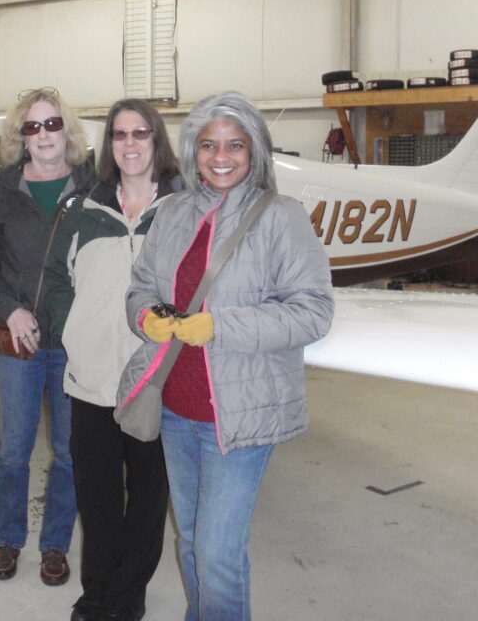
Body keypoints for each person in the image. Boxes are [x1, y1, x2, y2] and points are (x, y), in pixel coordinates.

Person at [116, 91, 335, 621]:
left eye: (235, 145)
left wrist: (219, 326)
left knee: (217, 555)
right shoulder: (173, 214)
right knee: (191, 541)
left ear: (254, 150)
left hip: (239, 415)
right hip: (175, 411)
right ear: (193, 151)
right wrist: (145, 316)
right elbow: (141, 286)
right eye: (209, 144)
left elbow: (314, 312)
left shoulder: (282, 218)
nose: (221, 156)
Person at [45, 99, 181, 621]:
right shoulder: (80, 209)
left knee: (147, 502)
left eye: (140, 134)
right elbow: (55, 278)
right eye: (119, 135)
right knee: (97, 499)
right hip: (92, 380)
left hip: (153, 381)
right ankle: (95, 593)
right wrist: (69, 328)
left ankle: (127, 599)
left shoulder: (181, 210)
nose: (129, 144)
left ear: (156, 141)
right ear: (110, 146)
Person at [0, 87, 93, 587]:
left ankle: (55, 545)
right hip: (19, 343)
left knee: (70, 450)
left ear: (68, 131)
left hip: (73, 345)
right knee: (13, 448)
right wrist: (9, 308)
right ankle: (8, 540)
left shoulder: (95, 190)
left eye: (52, 124)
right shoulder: (1, 190)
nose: (44, 135)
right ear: (21, 137)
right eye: (32, 127)